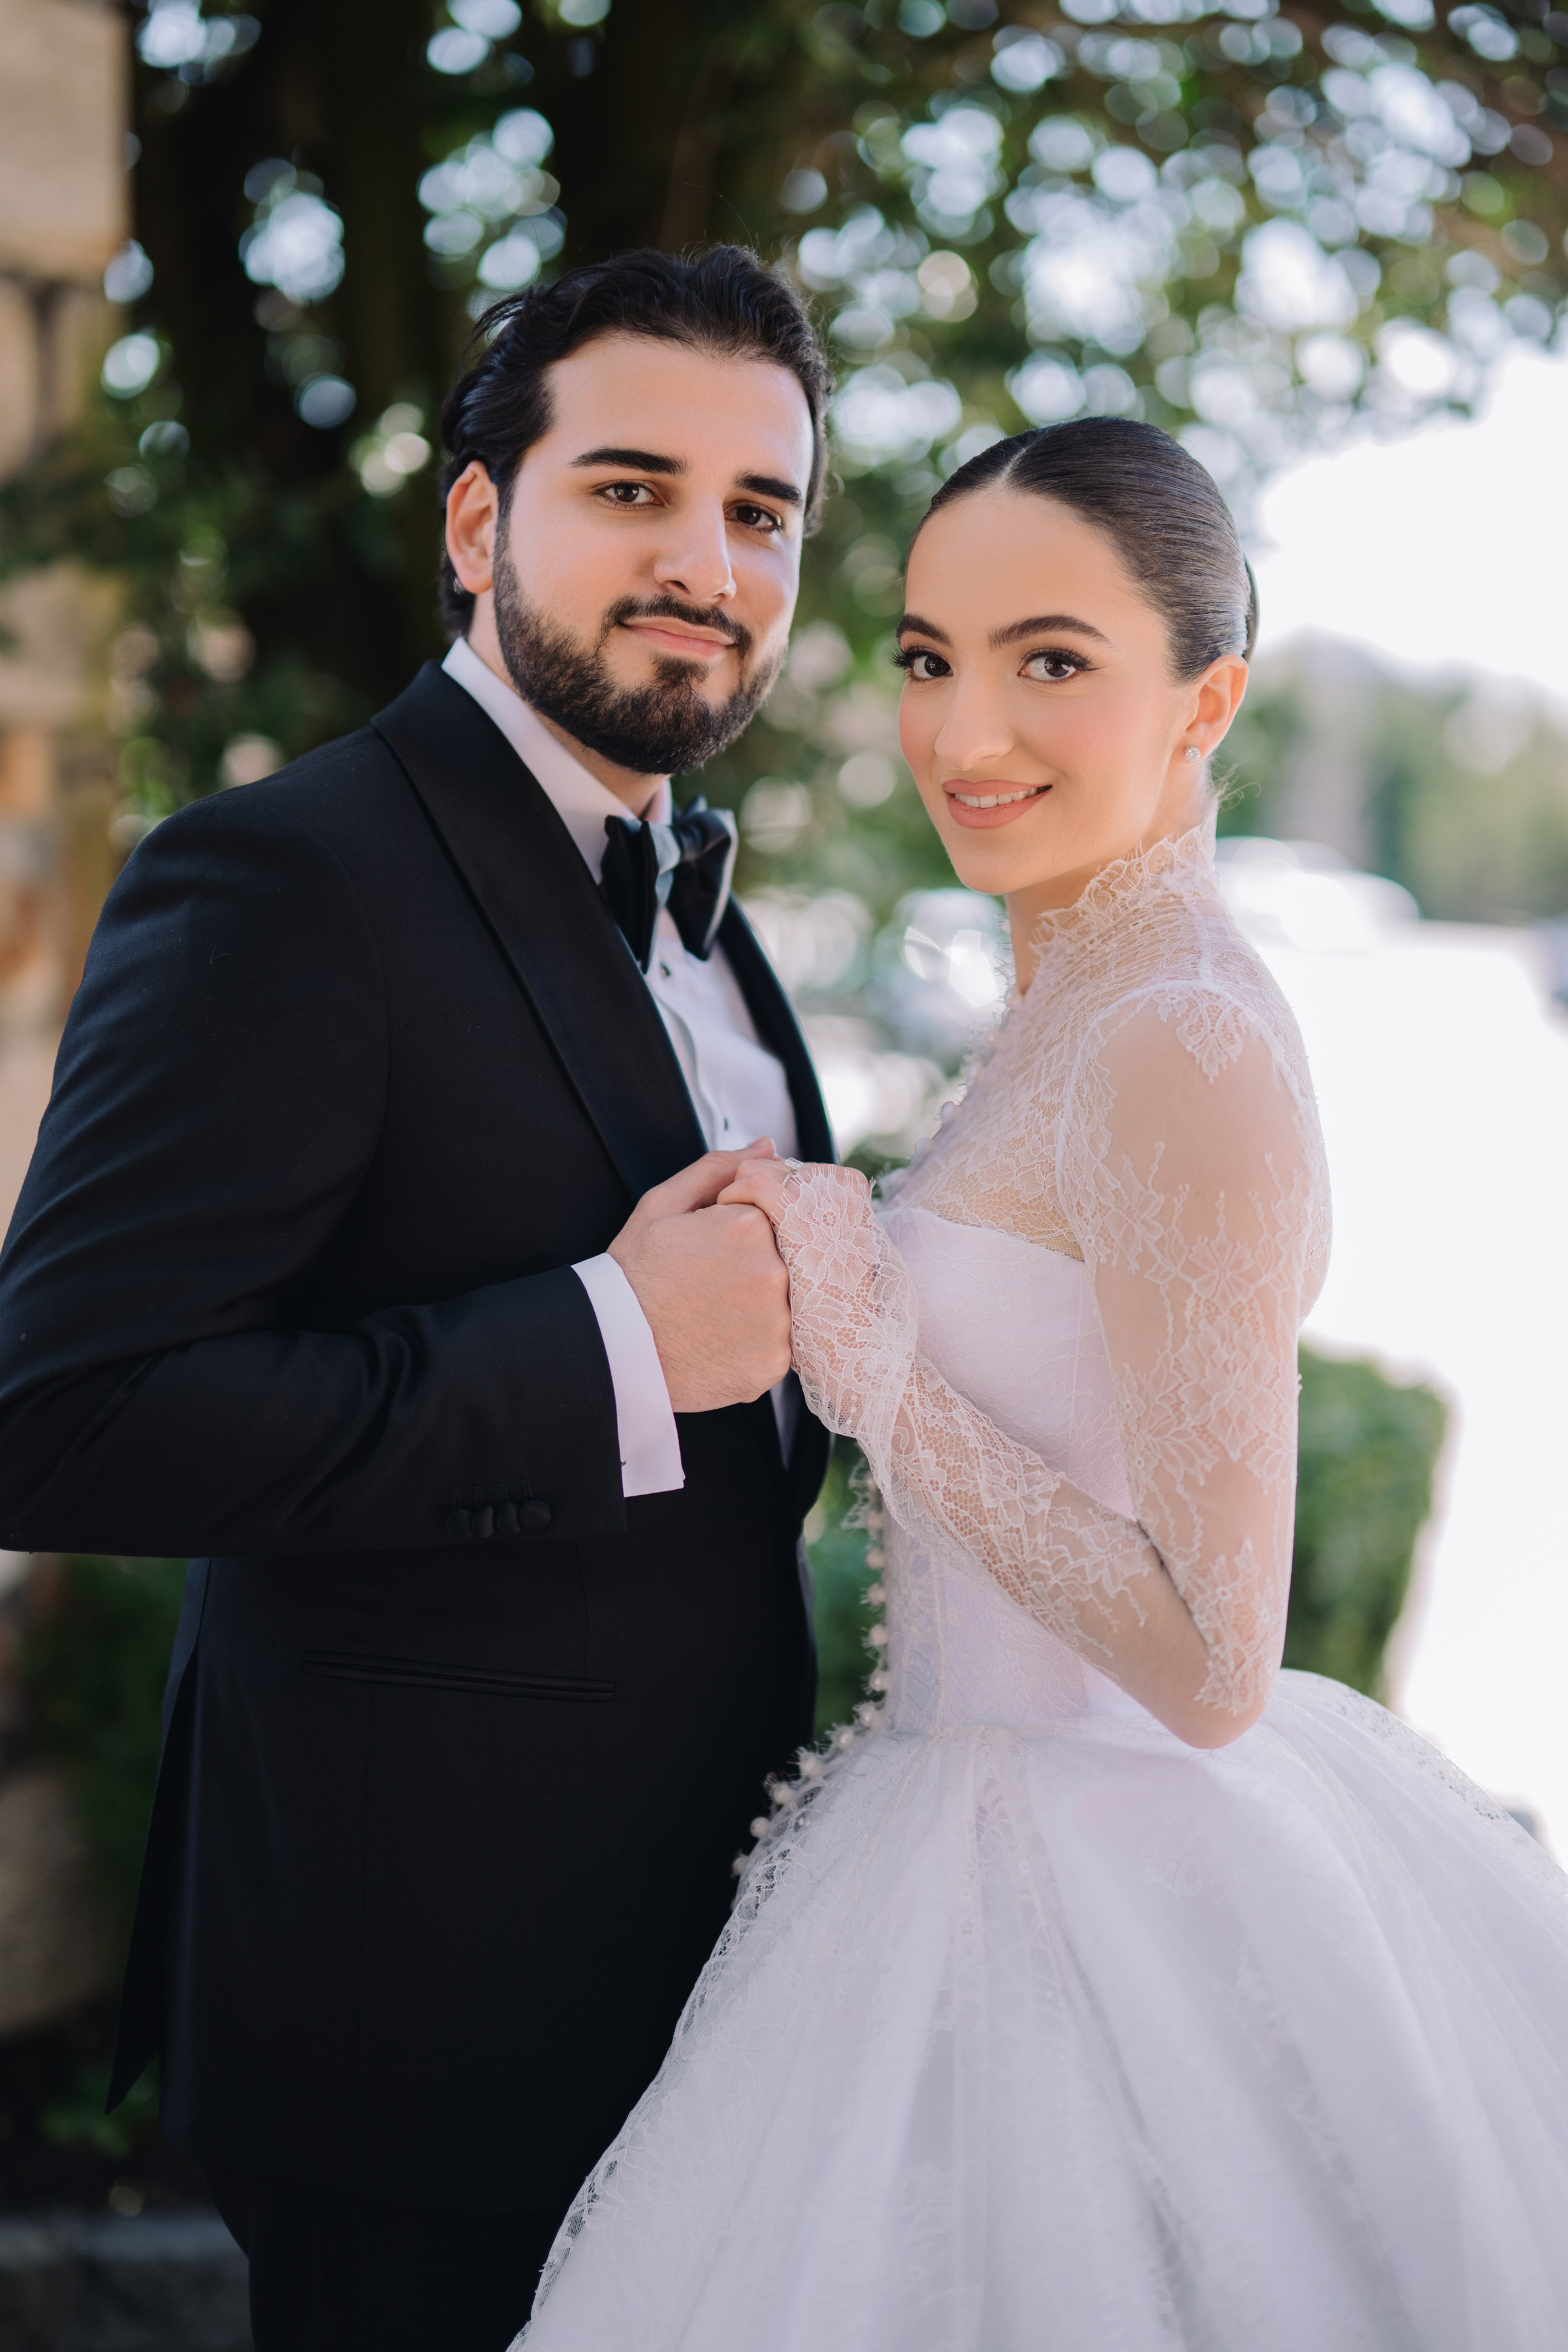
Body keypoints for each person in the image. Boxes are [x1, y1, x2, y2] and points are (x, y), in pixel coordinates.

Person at [518, 419, 1568, 2351]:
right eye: (929, 657)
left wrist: (879, 1372)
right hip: (943, 1837)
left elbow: (1211, 1655)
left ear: (1209, 698)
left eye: (1051, 661)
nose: (963, 731)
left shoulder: (1178, 1039)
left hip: (1105, 1890)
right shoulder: (1068, 1001)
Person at [0, 247, 836, 2350]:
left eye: (760, 514)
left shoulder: (722, 931)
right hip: (419, 2018)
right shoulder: (282, 879)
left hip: (713, 1990)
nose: (705, 562)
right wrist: (612, 1347)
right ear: (481, 524)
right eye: (632, 488)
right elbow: (65, 1413)